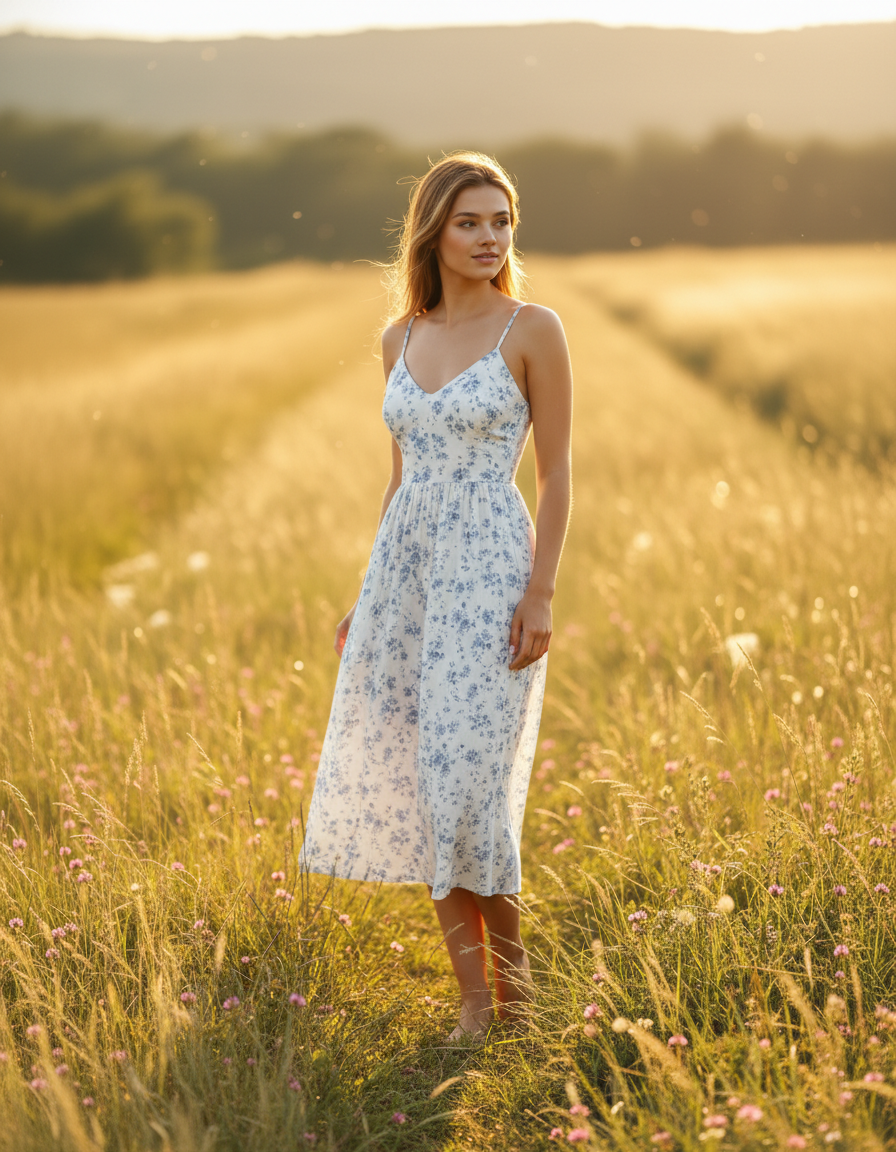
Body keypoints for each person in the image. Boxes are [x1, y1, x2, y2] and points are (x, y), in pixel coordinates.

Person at [300, 151, 573, 1040]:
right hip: (407, 579)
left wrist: (541, 595)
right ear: (433, 230)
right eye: (470, 222)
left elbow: (559, 473)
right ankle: (473, 1005)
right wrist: (365, 594)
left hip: (492, 573)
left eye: (501, 221)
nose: (490, 238)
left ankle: (518, 997)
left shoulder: (533, 329)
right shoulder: (399, 338)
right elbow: (399, 480)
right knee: (429, 789)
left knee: (468, 786)